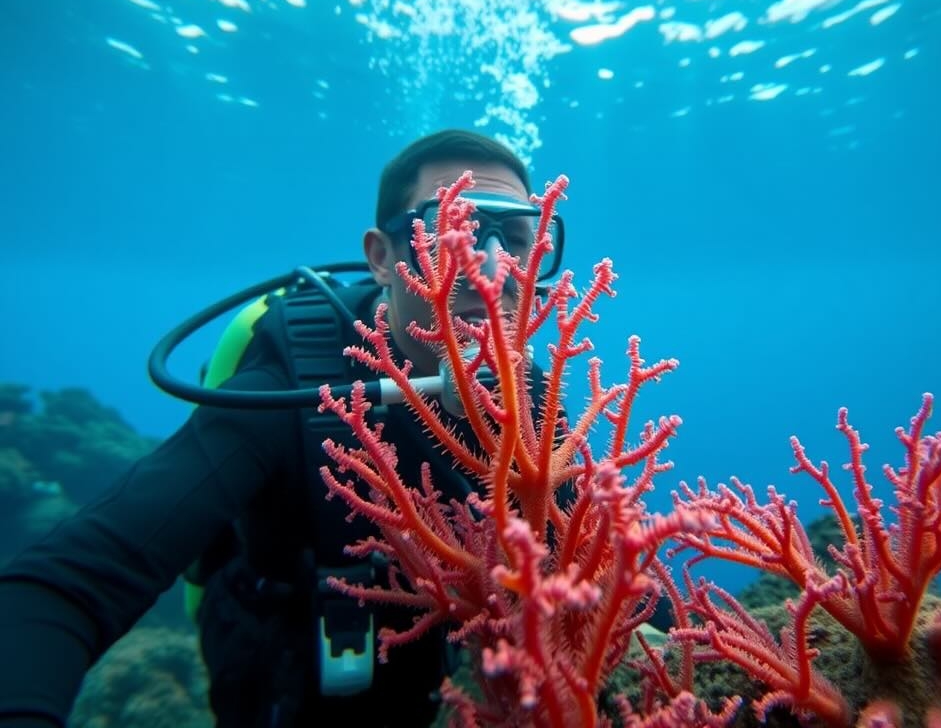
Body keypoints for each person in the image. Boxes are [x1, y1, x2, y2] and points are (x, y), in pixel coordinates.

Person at [0, 130, 566, 728]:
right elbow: (61, 583)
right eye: (457, 231)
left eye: (519, 240)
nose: (494, 268)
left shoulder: (533, 402)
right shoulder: (291, 388)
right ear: (381, 258)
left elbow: (612, 576)